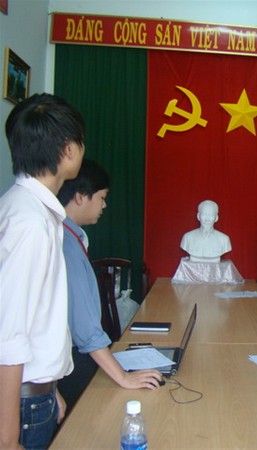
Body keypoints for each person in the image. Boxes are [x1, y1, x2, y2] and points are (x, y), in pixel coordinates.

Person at [0, 93, 85, 450]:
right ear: (68, 149)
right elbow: (8, 336)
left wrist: (49, 390)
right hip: (20, 408)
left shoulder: (29, 208)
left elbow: (39, 318)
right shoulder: (30, 222)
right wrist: (8, 439)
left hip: (34, 395)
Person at [56, 159, 162, 413]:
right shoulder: (66, 244)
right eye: (101, 198)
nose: (104, 205)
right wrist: (123, 376)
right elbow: (85, 328)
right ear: (80, 197)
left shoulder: (70, 236)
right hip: (73, 361)